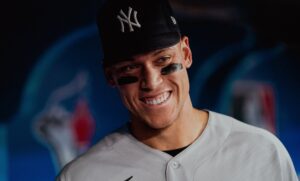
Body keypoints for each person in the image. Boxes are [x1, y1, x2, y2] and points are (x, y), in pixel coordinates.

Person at [56, 0, 299, 180]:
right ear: (111, 76)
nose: (151, 82)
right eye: (131, 67)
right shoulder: (82, 176)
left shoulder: (260, 151)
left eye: (162, 60)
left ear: (186, 53)